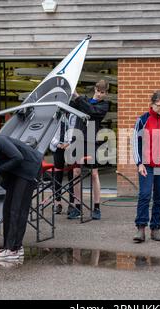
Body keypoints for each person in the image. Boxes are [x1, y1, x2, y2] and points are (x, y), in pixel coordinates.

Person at [132, 90, 160, 243]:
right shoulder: (142, 120)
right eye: (159, 106)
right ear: (152, 104)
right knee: (145, 195)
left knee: (159, 197)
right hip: (146, 165)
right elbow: (135, 143)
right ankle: (141, 228)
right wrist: (139, 163)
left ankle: (155, 227)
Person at [68, 80, 110, 220]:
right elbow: (70, 106)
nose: (99, 94)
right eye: (98, 91)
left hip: (92, 141)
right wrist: (71, 94)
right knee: (76, 172)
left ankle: (96, 207)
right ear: (95, 89)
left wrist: (78, 97)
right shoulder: (84, 100)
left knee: (94, 174)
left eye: (102, 92)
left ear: (106, 93)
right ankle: (77, 206)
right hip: (78, 139)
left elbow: (91, 111)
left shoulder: (104, 105)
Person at [49, 111, 77, 215]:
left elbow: (75, 130)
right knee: (58, 174)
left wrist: (69, 143)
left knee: (71, 175)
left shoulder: (74, 114)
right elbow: (49, 132)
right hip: (57, 147)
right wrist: (57, 144)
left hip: (70, 147)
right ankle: (58, 202)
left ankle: (72, 203)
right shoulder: (55, 114)